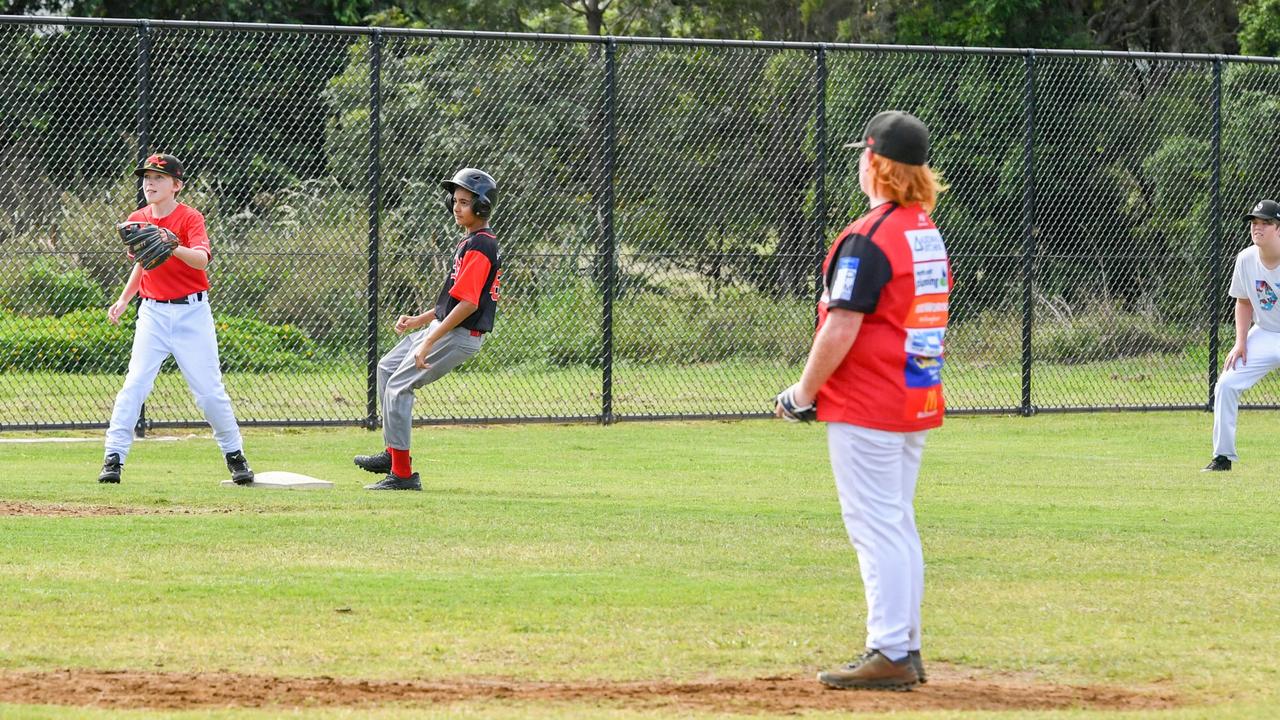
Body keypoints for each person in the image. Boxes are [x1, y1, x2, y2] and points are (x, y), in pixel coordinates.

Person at [775, 111, 949, 691]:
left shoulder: (870, 235)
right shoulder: (923, 229)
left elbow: (841, 326)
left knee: (876, 526)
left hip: (871, 399)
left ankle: (892, 651)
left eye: (862, 155)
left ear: (874, 163)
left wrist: (803, 394)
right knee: (896, 523)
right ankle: (905, 644)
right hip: (912, 393)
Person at [99, 153, 254, 485]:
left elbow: (200, 261)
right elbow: (142, 262)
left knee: (209, 393)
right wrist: (125, 298)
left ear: (176, 185)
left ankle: (234, 455)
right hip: (152, 312)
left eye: (158, 178)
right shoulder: (138, 217)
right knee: (134, 386)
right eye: (146, 177)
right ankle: (113, 458)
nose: (150, 183)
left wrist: (172, 244)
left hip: (192, 313)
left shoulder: (189, 218)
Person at [353, 168, 502, 491]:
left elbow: (468, 305)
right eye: (455, 200)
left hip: (459, 335)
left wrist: (427, 341)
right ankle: (393, 454)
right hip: (445, 328)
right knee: (386, 368)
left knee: (399, 386)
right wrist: (418, 322)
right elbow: (450, 301)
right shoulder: (470, 242)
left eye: (465, 202)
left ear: (482, 207)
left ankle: (403, 474)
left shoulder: (480, 246)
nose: (456, 207)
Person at [1204, 199, 1280, 472]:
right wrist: (1241, 342)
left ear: (1279, 229)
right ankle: (1222, 458)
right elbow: (1244, 301)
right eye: (1254, 222)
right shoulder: (1245, 259)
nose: (1257, 227)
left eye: (1265, 223)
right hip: (1266, 332)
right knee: (1226, 384)